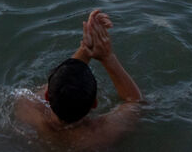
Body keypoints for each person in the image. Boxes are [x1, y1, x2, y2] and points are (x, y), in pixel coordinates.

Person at [13, 10, 142, 148]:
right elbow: (135, 102)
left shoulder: (26, 108)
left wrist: (85, 49)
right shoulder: (99, 135)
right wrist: (107, 57)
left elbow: (57, 85)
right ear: (94, 103)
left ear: (46, 96)